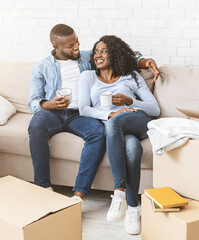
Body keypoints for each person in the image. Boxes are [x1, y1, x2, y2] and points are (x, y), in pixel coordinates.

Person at [28, 24, 159, 204]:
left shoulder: (85, 57)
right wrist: (49, 104)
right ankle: (43, 187)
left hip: (80, 114)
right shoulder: (41, 67)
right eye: (70, 46)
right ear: (55, 47)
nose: (76, 48)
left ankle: (79, 194)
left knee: (98, 133)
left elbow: (116, 55)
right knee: (36, 125)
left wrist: (144, 62)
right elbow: (33, 100)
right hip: (53, 112)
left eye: (77, 42)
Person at [78, 35, 160, 234]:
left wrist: (129, 102)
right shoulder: (87, 77)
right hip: (114, 125)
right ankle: (133, 208)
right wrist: (112, 113)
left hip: (137, 119)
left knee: (115, 123)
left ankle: (119, 192)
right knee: (132, 148)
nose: (98, 55)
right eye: (96, 51)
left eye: (104, 51)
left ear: (114, 53)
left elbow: (154, 109)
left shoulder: (131, 76)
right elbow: (83, 109)